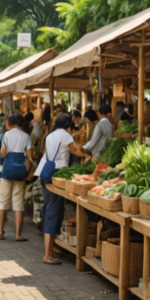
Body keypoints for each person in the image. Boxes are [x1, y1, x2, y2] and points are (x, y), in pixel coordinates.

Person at [35, 114, 90, 265]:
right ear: (68, 124)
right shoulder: (66, 135)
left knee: (49, 209)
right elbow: (74, 151)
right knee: (53, 212)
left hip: (44, 173)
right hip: (56, 175)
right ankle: (47, 255)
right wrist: (87, 154)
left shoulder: (50, 136)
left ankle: (50, 249)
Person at [0, 113, 34, 242]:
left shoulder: (7, 135)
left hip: (7, 170)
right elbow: (30, 157)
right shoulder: (26, 136)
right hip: (20, 171)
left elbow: (3, 154)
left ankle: (1, 232)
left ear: (10, 122)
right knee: (18, 203)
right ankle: (18, 234)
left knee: (2, 201)